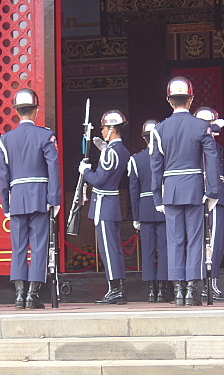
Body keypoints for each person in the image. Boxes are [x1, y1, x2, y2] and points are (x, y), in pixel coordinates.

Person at [149, 76, 219, 306]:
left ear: (169, 101)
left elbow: (155, 167)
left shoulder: (159, 130)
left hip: (170, 189)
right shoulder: (201, 126)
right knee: (195, 239)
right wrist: (213, 191)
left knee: (175, 240)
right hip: (195, 188)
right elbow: (212, 160)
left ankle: (178, 289)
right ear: (191, 100)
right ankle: (192, 289)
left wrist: (157, 196)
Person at [0, 88, 61, 309]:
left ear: (17, 111)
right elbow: (53, 168)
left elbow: (3, 176)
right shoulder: (45, 135)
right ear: (36, 111)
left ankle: (19, 295)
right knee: (40, 245)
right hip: (40, 197)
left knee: (19, 247)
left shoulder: (4, 140)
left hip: (17, 198)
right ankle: (33, 294)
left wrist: (5, 203)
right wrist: (55, 198)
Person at [79, 110, 131, 304]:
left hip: (104, 204)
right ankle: (118, 289)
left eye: (103, 128)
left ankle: (115, 289)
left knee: (108, 249)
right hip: (112, 204)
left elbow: (99, 180)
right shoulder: (122, 150)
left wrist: (86, 171)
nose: (101, 131)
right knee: (114, 248)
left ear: (111, 129)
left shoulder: (111, 151)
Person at [194, 107, 224, 302]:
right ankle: (208, 286)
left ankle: (211, 284)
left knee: (217, 244)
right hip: (211, 198)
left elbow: (218, 173)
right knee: (211, 243)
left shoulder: (215, 147)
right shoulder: (199, 145)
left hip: (219, 196)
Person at [128, 119, 169, 302]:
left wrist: (135, 216)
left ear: (144, 139)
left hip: (144, 209)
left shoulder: (136, 159)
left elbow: (133, 191)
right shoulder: (166, 158)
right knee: (164, 249)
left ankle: (151, 290)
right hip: (163, 208)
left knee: (148, 250)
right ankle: (162, 288)